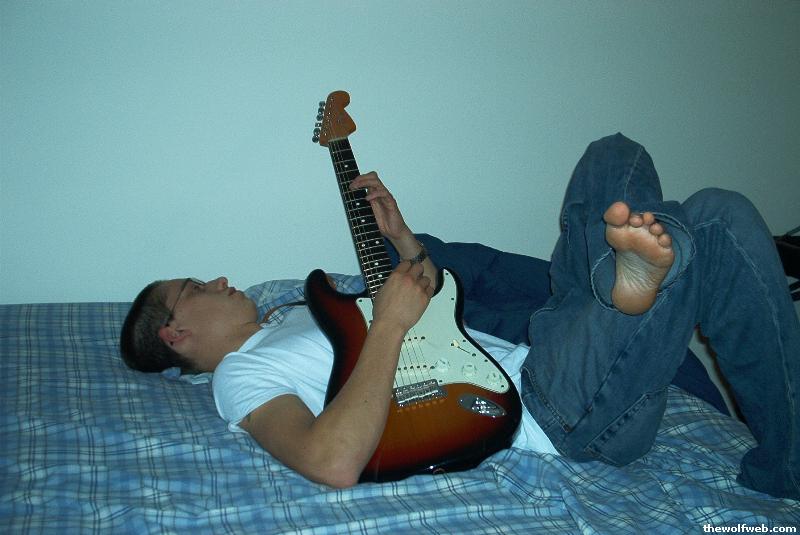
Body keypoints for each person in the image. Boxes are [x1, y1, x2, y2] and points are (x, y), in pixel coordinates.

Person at [120, 133, 799, 500]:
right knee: (714, 218)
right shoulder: (238, 377)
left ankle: (614, 287)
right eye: (194, 287)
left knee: (619, 158)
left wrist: (404, 239)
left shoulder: (304, 306)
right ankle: (622, 288)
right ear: (176, 333)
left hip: (544, 343)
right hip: (552, 411)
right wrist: (387, 323)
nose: (218, 280)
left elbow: (433, 310)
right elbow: (330, 461)